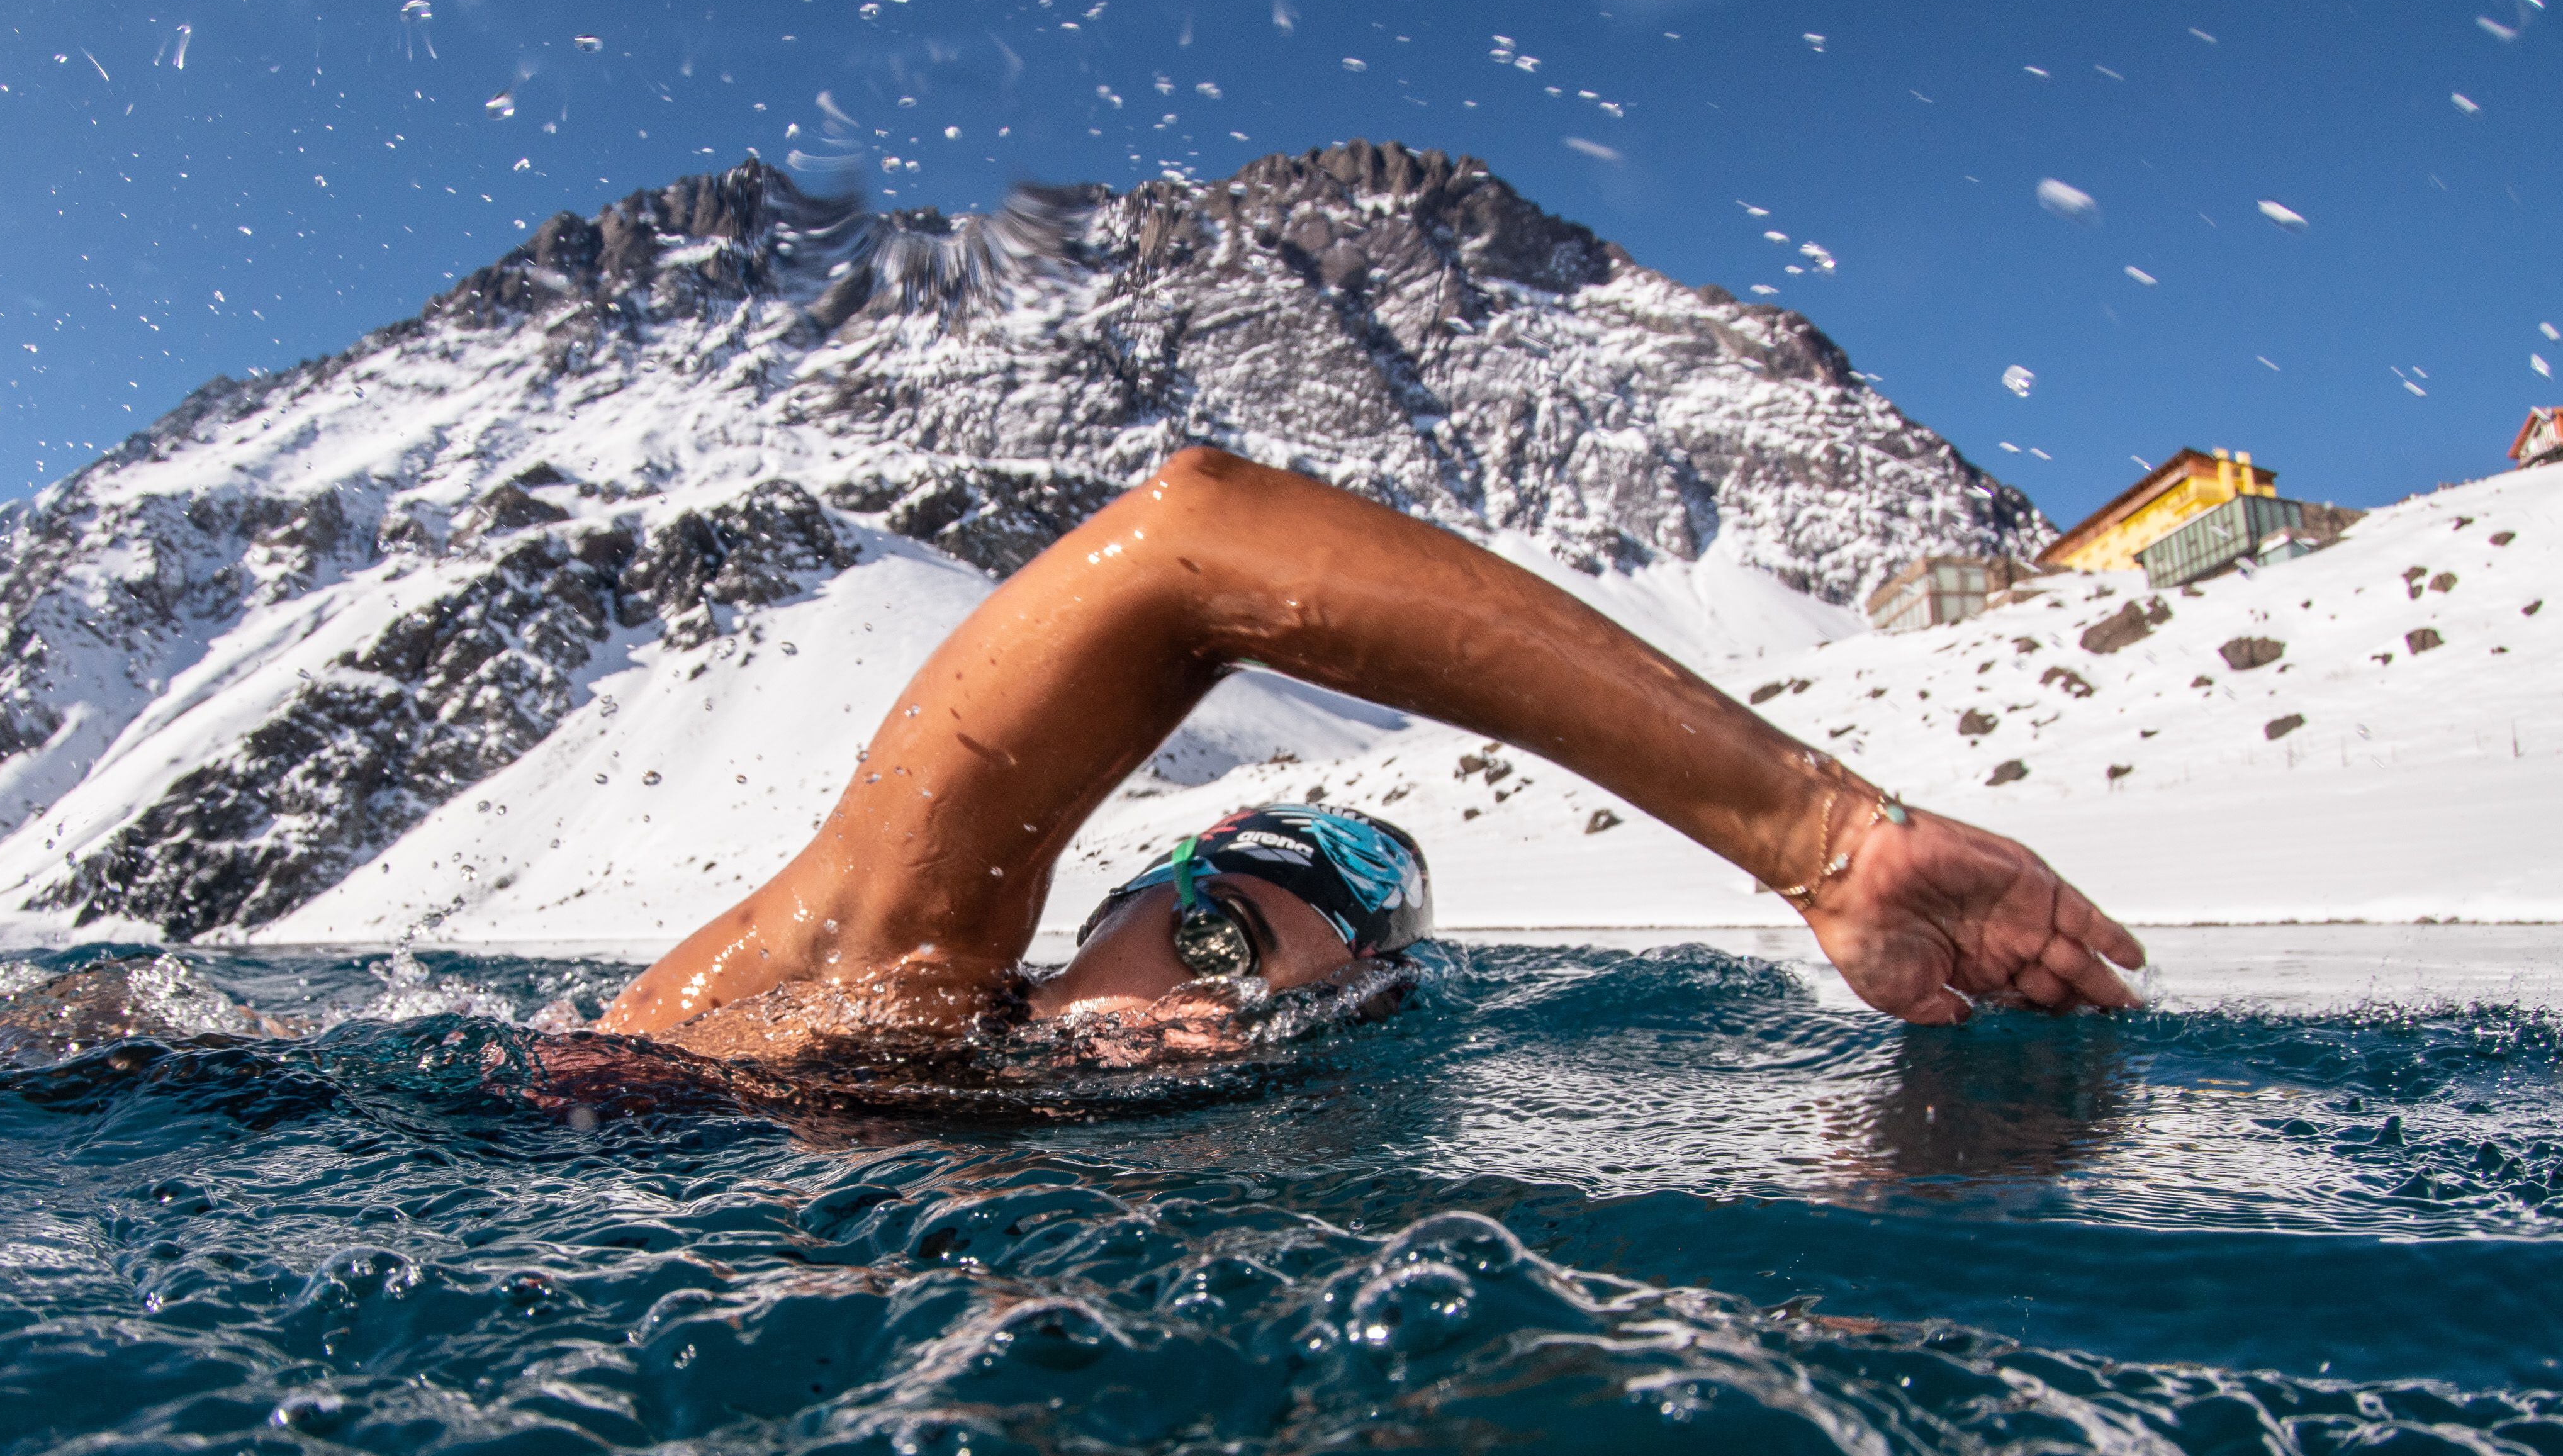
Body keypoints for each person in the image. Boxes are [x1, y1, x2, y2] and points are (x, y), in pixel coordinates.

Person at [600, 449, 2142, 1051]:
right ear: (1115, 908)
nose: (1208, 1014)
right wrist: (1828, 838)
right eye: (1210, 937)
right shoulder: (898, 966)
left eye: (1270, 1007)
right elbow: (1187, 540)